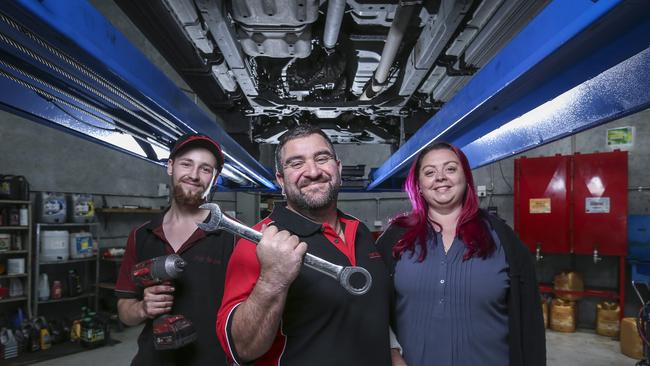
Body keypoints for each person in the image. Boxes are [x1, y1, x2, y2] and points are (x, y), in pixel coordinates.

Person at [216, 125, 392, 365]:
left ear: (338, 168)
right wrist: (272, 279)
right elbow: (242, 348)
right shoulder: (259, 240)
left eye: (322, 158)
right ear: (280, 179)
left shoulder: (358, 229)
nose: (312, 171)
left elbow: (370, 314)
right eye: (296, 164)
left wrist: (391, 353)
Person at [376, 142, 546, 366]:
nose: (440, 177)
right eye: (429, 172)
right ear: (418, 185)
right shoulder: (395, 239)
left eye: (450, 169)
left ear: (466, 177)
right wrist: (392, 352)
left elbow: (530, 323)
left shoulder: (502, 238)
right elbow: (370, 306)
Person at [115, 133, 234, 365]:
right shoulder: (141, 236)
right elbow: (124, 310)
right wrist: (142, 308)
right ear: (170, 166)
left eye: (205, 169)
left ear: (215, 178)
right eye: (186, 164)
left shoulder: (232, 236)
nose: (194, 175)